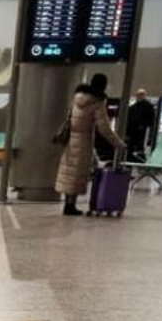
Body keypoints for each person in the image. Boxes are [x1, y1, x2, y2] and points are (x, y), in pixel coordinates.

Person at [55, 72, 123, 216]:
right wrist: (118, 143)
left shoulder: (77, 98)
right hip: (83, 141)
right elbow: (104, 128)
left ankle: (69, 203)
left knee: (70, 172)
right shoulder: (97, 102)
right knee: (76, 173)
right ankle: (70, 206)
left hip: (71, 139)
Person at [124, 89, 157, 163]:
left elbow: (150, 120)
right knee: (136, 148)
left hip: (140, 132)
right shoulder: (133, 108)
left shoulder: (146, 107)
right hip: (136, 132)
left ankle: (135, 160)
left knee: (138, 148)